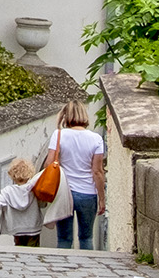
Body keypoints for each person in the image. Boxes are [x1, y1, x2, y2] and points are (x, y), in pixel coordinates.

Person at [46, 99, 106, 248]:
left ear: (66, 116)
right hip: (87, 193)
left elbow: (49, 163)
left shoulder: (58, 135)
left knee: (64, 238)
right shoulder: (96, 139)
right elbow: (97, 172)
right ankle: (87, 268)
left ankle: (62, 268)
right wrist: (102, 198)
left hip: (64, 193)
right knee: (86, 237)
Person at [0, 155, 46, 247]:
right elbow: (42, 203)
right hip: (33, 228)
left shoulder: (8, 191)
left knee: (19, 250)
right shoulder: (33, 188)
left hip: (16, 229)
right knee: (33, 252)